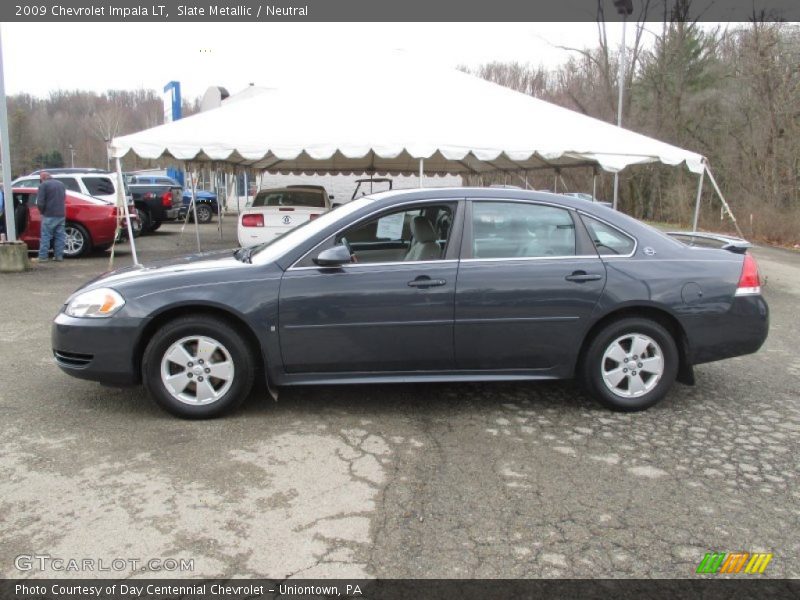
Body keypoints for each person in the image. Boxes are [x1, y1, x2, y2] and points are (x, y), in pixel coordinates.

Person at [35, 171, 67, 261]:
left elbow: (40, 202)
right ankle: (59, 256)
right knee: (60, 236)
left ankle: (42, 256)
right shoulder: (61, 184)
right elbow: (64, 198)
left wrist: (42, 211)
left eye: (40, 178)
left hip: (49, 214)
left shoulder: (43, 185)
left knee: (45, 236)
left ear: (43, 177)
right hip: (61, 214)